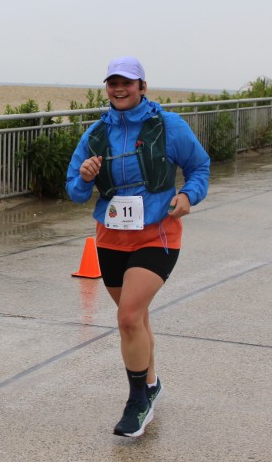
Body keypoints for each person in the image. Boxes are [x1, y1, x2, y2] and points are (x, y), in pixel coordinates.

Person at [66, 56, 210, 437]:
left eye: (127, 83)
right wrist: (85, 177)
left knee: (128, 317)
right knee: (137, 317)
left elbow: (199, 167)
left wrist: (188, 195)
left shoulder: (168, 127)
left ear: (142, 87)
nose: (119, 89)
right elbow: (74, 190)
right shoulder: (96, 134)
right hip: (111, 237)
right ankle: (152, 382)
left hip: (157, 234)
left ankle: (137, 402)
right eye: (113, 83)